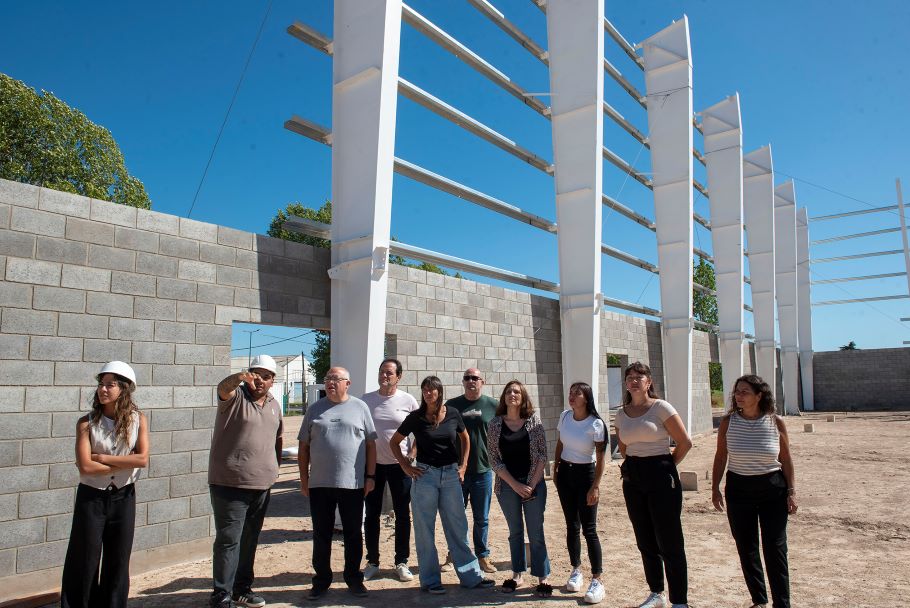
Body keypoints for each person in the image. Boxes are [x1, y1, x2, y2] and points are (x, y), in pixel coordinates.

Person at [389, 376, 495, 594]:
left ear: (439, 392)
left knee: (458, 528)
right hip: (425, 476)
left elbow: (465, 438)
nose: (428, 393)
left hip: (450, 476)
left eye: (432, 390)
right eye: (425, 390)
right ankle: (430, 581)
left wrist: (463, 466)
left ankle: (471, 577)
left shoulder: (453, 413)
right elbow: (394, 442)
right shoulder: (416, 417)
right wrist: (406, 466)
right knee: (424, 531)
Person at [60, 361, 149, 608]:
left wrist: (102, 458)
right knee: (85, 557)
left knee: (118, 558)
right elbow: (86, 468)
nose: (103, 389)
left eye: (110, 384)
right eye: (101, 384)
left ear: (124, 389)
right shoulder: (86, 423)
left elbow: (142, 459)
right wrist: (125, 462)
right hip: (91, 497)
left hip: (124, 496)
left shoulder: (138, 419)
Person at [712, 374, 797, 608]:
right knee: (746, 547)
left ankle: (782, 604)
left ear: (759, 396)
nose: (738, 396)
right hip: (739, 489)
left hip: (773, 489)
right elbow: (721, 457)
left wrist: (791, 491)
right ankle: (759, 601)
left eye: (745, 392)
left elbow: (786, 459)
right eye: (737, 391)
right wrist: (715, 488)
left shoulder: (775, 422)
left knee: (775, 548)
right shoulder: (728, 422)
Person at [614, 362, 692, 608]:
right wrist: (637, 467)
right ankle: (656, 593)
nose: (634, 381)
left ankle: (679, 601)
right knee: (645, 539)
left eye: (639, 377)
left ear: (649, 382)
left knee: (669, 540)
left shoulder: (661, 407)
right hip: (633, 478)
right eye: (630, 377)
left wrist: (666, 466)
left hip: (661, 474)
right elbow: (624, 448)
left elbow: (684, 442)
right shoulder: (621, 413)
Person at [209, 354, 284, 608]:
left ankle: (242, 590)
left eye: (266, 376)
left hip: (261, 485)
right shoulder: (235, 397)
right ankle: (221, 594)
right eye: (256, 374)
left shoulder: (274, 404)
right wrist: (240, 377)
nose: (260, 380)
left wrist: (274, 469)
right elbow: (223, 388)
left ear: (273, 380)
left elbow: (277, 439)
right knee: (229, 540)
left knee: (250, 540)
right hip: (230, 484)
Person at [298, 366, 377, 601]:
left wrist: (370, 477)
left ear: (347, 383)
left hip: (352, 484)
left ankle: (354, 579)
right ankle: (321, 581)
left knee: (353, 534)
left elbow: (371, 445)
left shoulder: (360, 407)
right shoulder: (314, 409)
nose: (330, 382)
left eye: (335, 379)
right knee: (321, 534)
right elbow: (303, 447)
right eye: (327, 378)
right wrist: (304, 479)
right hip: (319, 484)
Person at [487, 380, 552, 597]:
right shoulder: (495, 424)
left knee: (536, 531)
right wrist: (515, 485)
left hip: (534, 484)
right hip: (507, 486)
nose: (512, 394)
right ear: (504, 397)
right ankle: (517, 574)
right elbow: (494, 459)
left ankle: (542, 576)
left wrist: (531, 485)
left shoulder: (533, 421)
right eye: (508, 391)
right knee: (515, 532)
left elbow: (542, 454)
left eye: (516, 391)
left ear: (523, 396)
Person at [361, 358, 419, 582]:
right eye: (382, 372)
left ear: (399, 377)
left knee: (403, 514)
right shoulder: (366, 400)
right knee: (372, 514)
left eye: (389, 373)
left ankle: (401, 562)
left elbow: (421, 431)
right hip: (373, 466)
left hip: (400, 466)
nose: (384, 376)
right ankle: (372, 562)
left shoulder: (408, 400)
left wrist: (411, 455)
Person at [553, 381, 607, 604]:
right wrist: (556, 467)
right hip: (566, 473)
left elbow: (601, 457)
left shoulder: (596, 423)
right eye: (571, 392)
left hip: (586, 475)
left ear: (587, 398)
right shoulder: (565, 416)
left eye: (577, 393)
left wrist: (595, 485)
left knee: (589, 529)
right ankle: (576, 569)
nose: (572, 396)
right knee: (571, 525)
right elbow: (560, 443)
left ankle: (597, 579)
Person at [442, 367, 498, 573]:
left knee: (481, 518)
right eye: (467, 378)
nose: (471, 381)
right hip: (457, 472)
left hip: (483, 471)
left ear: (482, 381)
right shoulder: (452, 405)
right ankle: (453, 554)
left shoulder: (493, 405)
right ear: (463, 382)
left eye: (475, 378)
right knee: (455, 517)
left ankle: (483, 556)